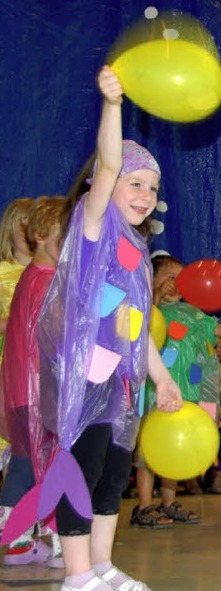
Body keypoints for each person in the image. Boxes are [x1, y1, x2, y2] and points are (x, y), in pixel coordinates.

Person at [36, 66, 183, 591]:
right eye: (134, 183)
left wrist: (161, 378)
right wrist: (113, 106)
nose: (144, 194)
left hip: (121, 386)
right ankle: (76, 575)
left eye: (152, 187)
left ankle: (100, 564)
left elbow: (134, 328)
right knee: (81, 465)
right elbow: (108, 159)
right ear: (109, 185)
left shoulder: (139, 253)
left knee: (112, 475)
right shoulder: (93, 225)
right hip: (83, 376)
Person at [132, 255, 221, 522]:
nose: (175, 283)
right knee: (150, 450)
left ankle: (169, 502)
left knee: (172, 448)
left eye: (180, 278)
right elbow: (143, 327)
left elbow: (219, 329)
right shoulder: (148, 308)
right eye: (169, 277)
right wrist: (155, 294)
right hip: (155, 391)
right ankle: (144, 505)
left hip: (187, 393)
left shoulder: (193, 312)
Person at [0, 196, 65, 567]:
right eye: (64, 235)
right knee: (39, 464)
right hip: (39, 391)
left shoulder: (35, 278)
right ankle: (34, 538)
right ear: (40, 234)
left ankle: (22, 537)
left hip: (29, 390)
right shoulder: (44, 283)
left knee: (29, 462)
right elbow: (51, 340)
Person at [0, 197, 32, 474]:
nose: (29, 235)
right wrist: (13, 323)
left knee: (26, 450)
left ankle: (20, 513)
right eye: (23, 228)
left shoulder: (50, 273)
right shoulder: (3, 273)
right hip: (6, 366)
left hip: (35, 370)